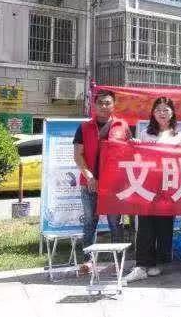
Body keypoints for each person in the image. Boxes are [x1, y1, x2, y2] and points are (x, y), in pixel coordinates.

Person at [124, 97, 181, 283]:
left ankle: (157, 263)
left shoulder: (179, 135)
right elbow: (138, 157)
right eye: (158, 109)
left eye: (166, 109)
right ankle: (141, 264)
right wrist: (136, 146)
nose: (162, 113)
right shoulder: (145, 133)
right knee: (145, 224)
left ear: (172, 113)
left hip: (169, 185)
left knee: (164, 225)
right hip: (147, 185)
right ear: (153, 113)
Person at [73, 89, 131, 275]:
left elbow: (130, 152)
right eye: (100, 103)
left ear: (114, 105)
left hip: (114, 185)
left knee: (116, 223)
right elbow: (78, 155)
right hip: (89, 184)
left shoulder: (122, 126)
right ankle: (87, 261)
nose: (104, 106)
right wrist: (89, 176)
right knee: (90, 222)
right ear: (94, 105)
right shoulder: (84, 128)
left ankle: (117, 262)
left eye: (108, 103)